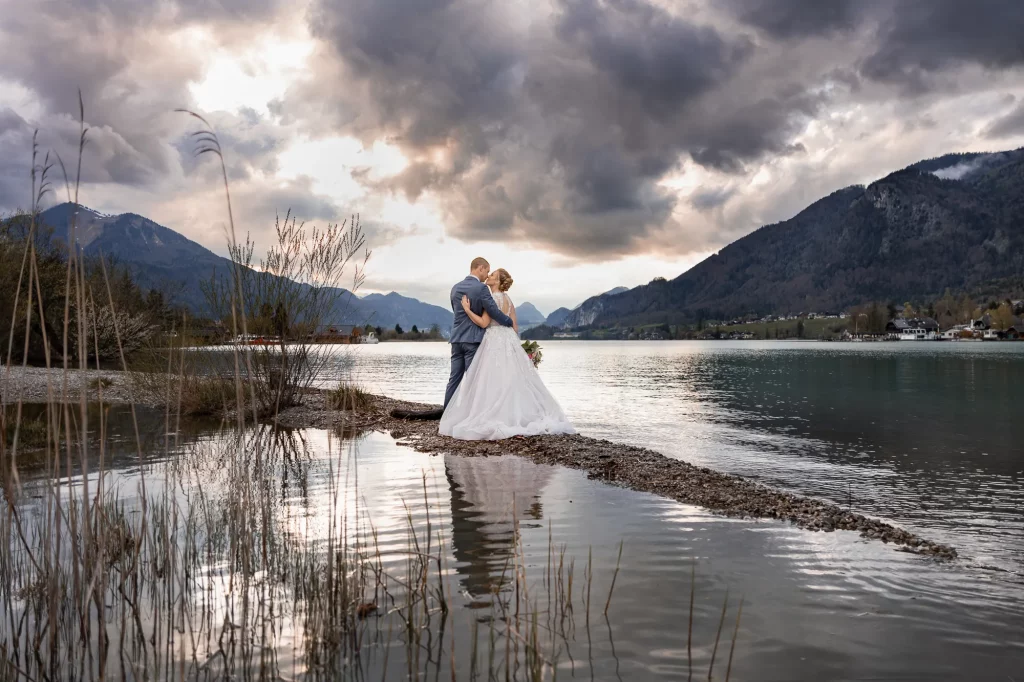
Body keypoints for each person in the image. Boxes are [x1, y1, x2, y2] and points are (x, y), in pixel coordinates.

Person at [439, 267, 575, 440]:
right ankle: (518, 414)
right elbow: (515, 327)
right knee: (512, 378)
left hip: (493, 340)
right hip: (509, 340)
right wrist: (514, 346)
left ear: (497, 281)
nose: (488, 276)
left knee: (490, 379)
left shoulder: (491, 299)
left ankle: (484, 413)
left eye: (492, 275)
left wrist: (467, 310)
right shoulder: (509, 300)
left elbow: (483, 323)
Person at [445, 257, 516, 408]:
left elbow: (456, 312)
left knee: (454, 379)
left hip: (456, 339)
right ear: (480, 268)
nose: (487, 275)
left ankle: (447, 413)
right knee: (473, 379)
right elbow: (493, 312)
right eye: (487, 271)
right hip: (473, 339)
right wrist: (508, 321)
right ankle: (470, 412)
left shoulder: (455, 288)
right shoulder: (481, 288)